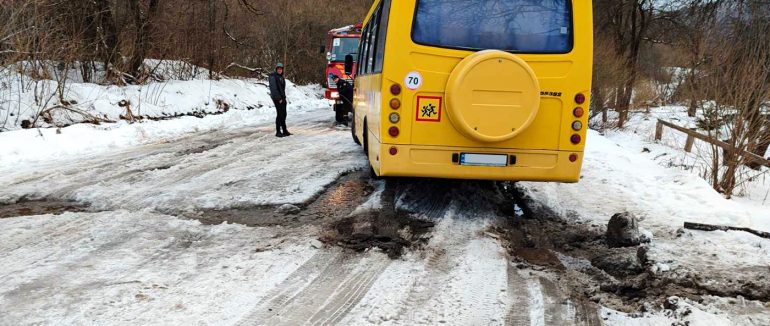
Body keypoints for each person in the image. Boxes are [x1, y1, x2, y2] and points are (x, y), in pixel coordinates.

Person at [269, 63, 291, 137]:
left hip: (282, 98)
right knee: (279, 114)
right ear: (276, 69)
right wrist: (279, 98)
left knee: (284, 114)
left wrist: (283, 98)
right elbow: (273, 89)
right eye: (278, 69)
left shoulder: (281, 77)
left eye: (281, 69)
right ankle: (278, 131)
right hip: (277, 98)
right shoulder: (273, 76)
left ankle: (284, 130)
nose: (280, 70)